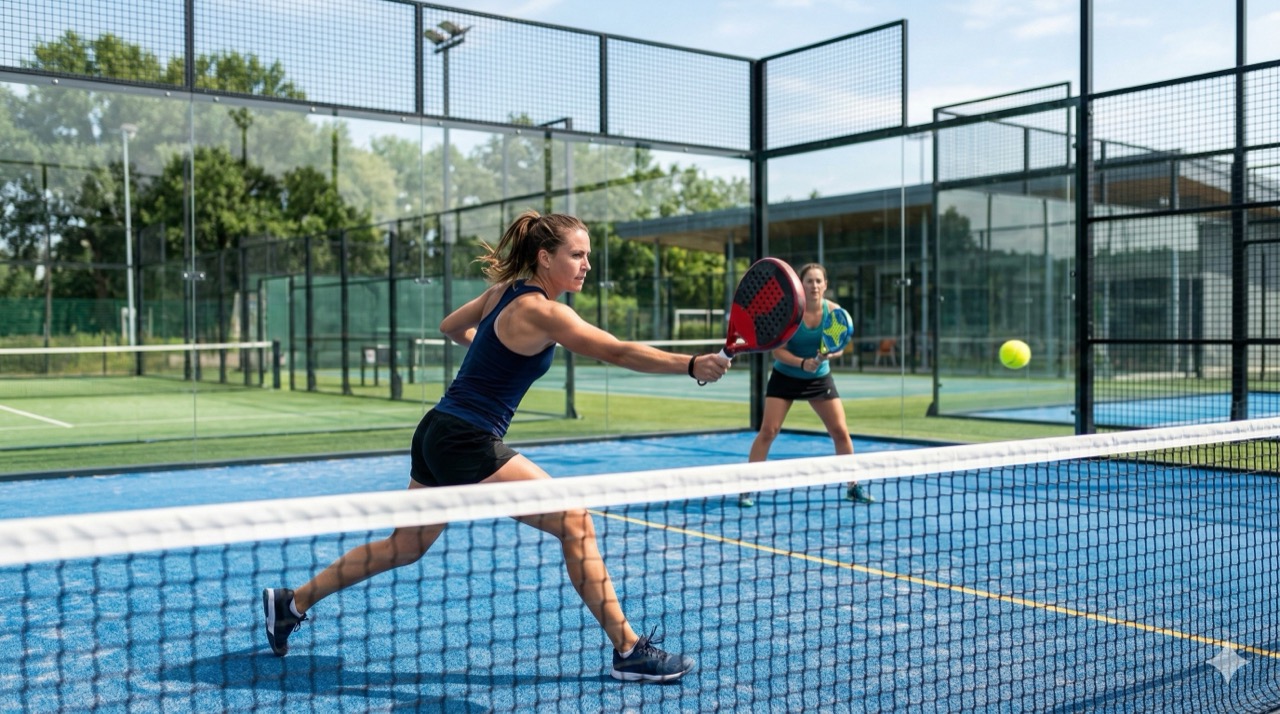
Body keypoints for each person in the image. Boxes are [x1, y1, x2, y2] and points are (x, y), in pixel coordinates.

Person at [262, 210, 730, 682]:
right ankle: (629, 650)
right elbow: (616, 351)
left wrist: (491, 356)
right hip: (466, 439)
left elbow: (450, 326)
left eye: (588, 255)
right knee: (576, 520)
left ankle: (292, 602)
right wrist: (691, 365)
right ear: (545, 257)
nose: (587, 264)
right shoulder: (545, 311)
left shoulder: (502, 295)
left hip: (436, 431)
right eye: (577, 254)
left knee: (403, 545)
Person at [738, 262, 873, 508]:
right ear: (800, 285)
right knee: (769, 431)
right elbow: (777, 351)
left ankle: (853, 486)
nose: (814, 286)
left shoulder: (834, 312)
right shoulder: (788, 311)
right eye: (809, 281)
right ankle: (747, 488)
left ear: (826, 285)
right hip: (785, 376)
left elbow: (838, 345)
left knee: (840, 432)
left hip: (819, 379)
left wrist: (830, 356)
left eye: (818, 281)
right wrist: (801, 363)